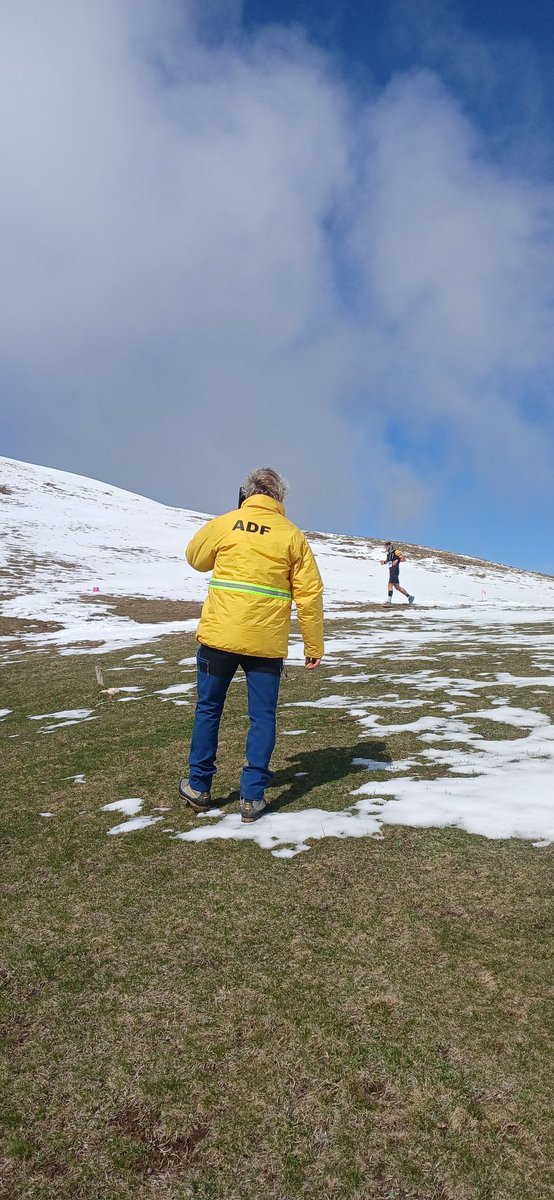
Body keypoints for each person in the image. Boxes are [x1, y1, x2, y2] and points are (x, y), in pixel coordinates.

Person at [179, 467, 324, 823]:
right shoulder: (292, 536)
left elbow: (196, 559)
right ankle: (252, 798)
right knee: (262, 717)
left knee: (209, 709)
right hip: (265, 643)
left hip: (219, 637)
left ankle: (199, 787)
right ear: (280, 498)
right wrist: (313, 644)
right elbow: (309, 593)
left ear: (245, 493)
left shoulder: (227, 523)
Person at [381, 541, 415, 606]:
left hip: (395, 570)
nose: (385, 548)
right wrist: (384, 562)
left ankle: (389, 602)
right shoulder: (388, 554)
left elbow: (404, 559)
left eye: (387, 546)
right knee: (397, 587)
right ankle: (410, 597)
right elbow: (388, 560)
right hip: (391, 570)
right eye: (385, 546)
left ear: (390, 546)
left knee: (390, 585)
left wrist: (397, 560)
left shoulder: (396, 552)